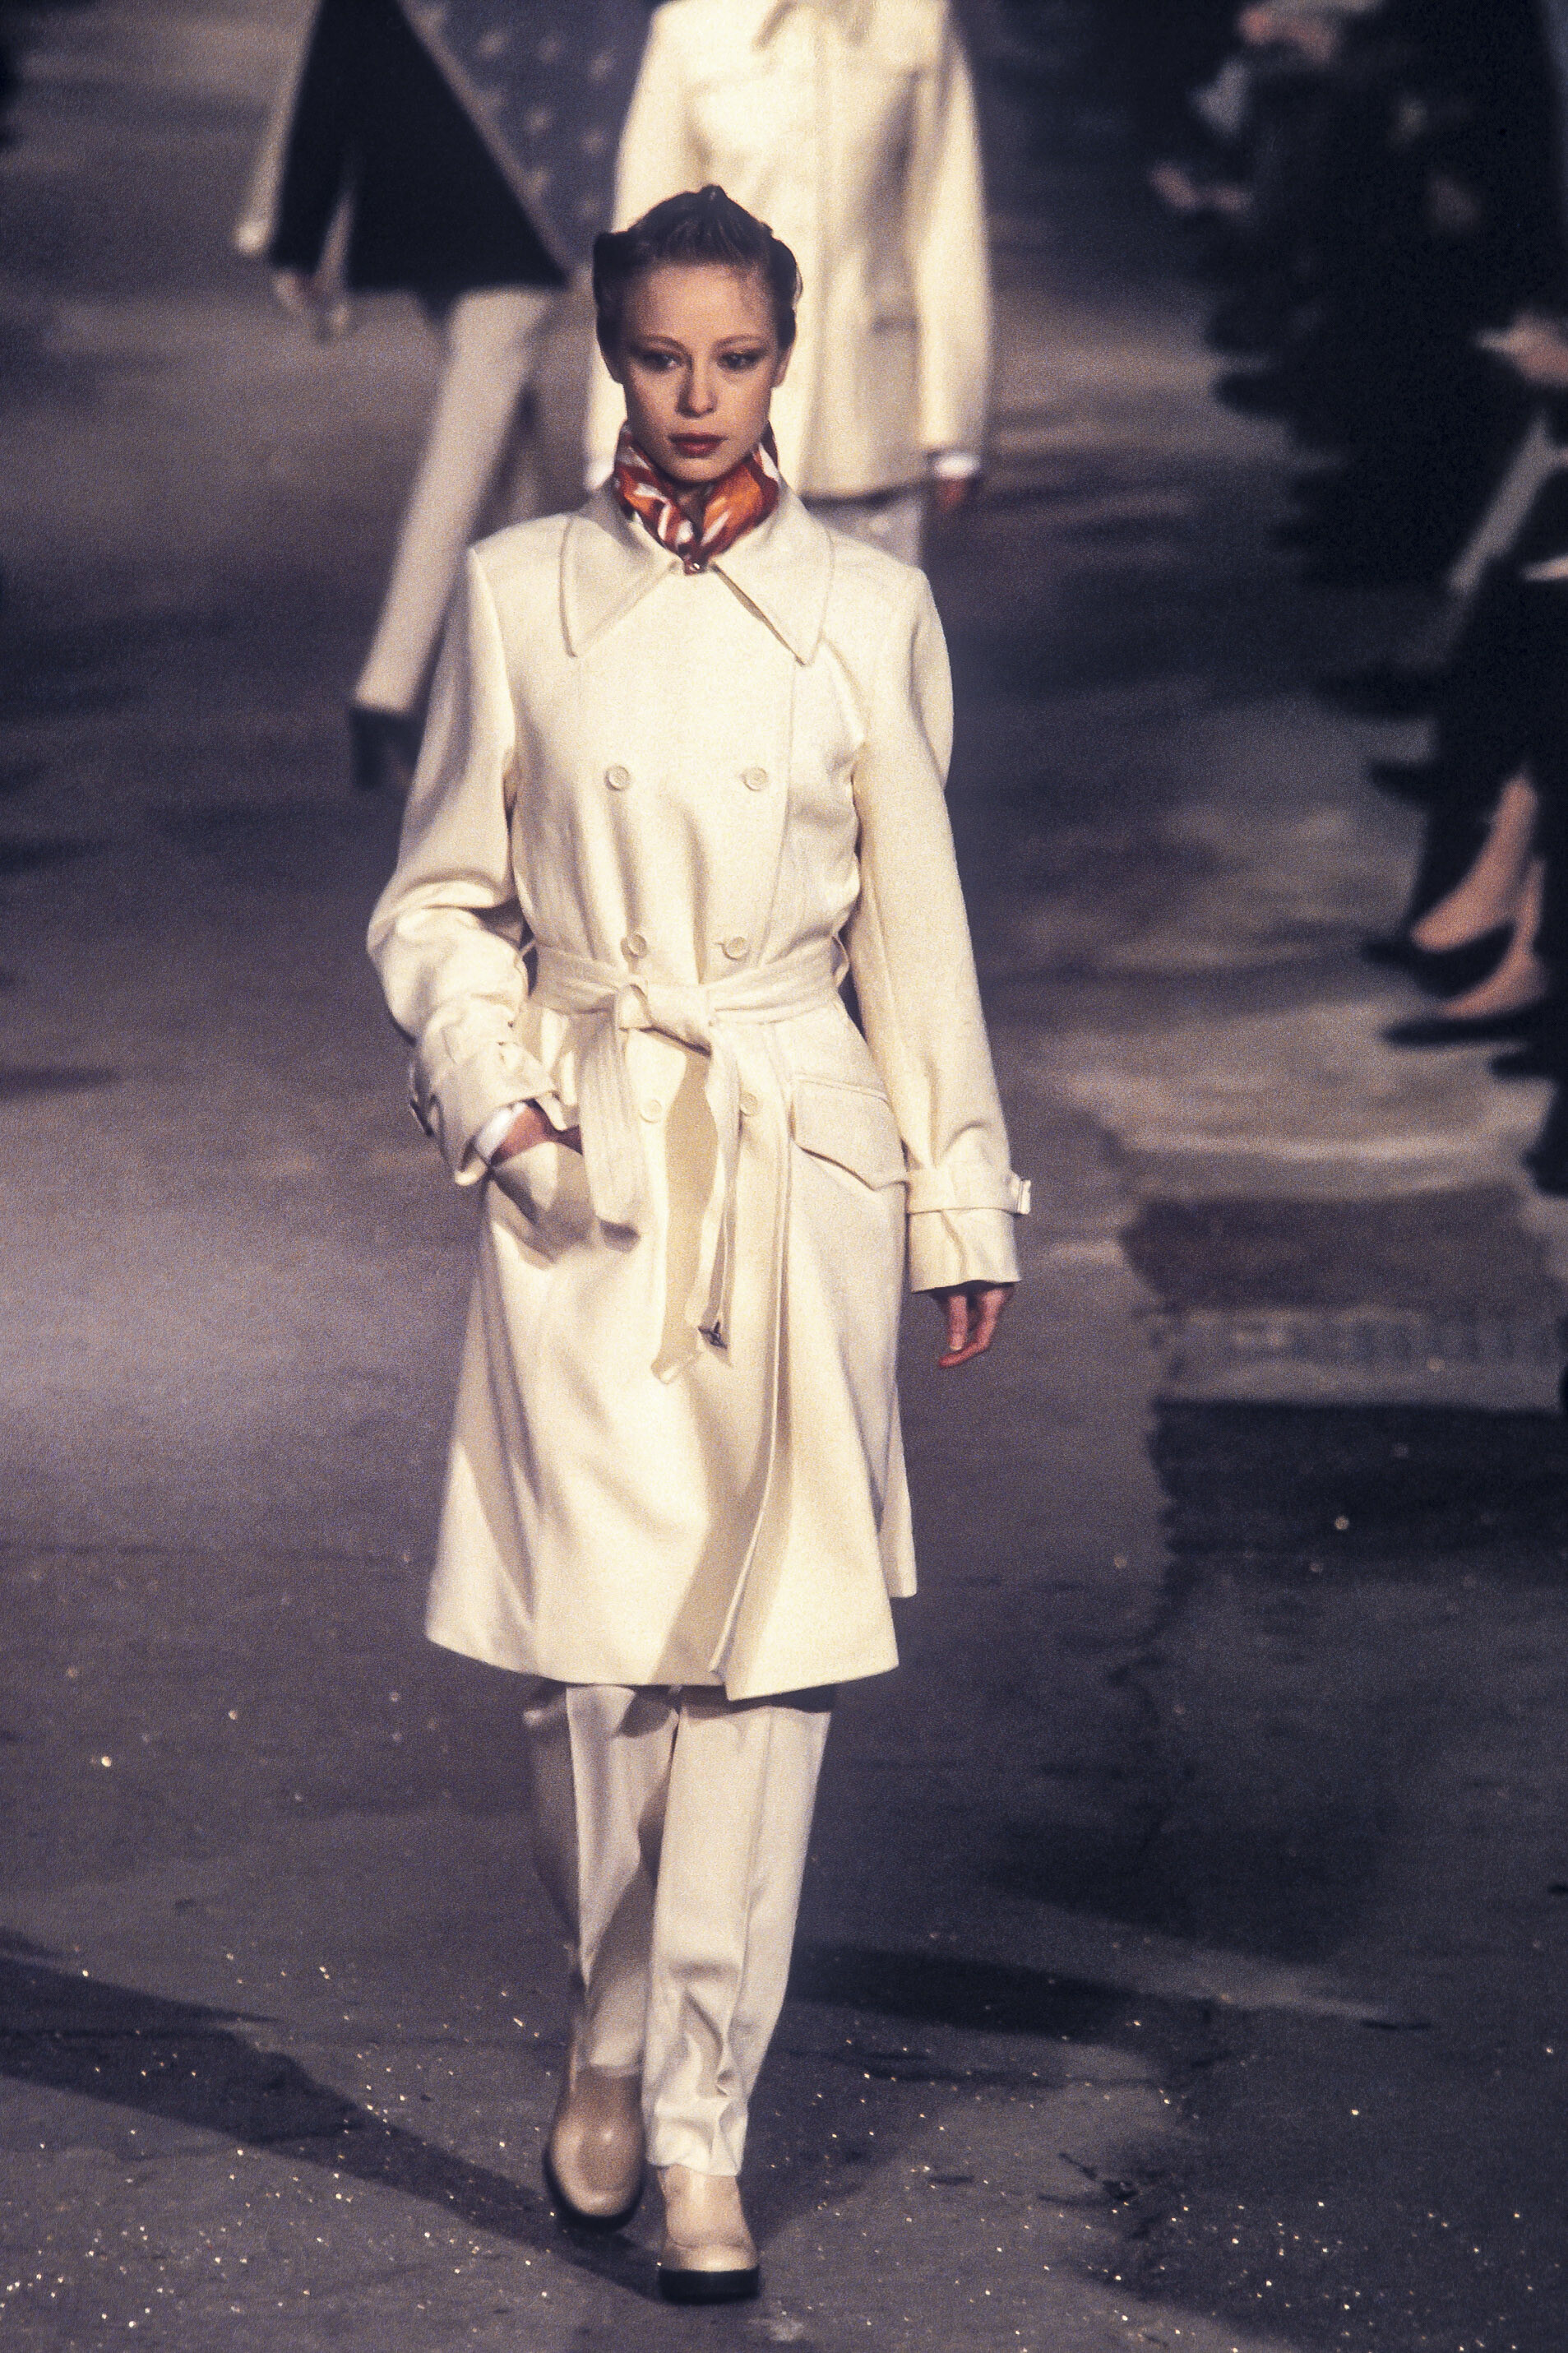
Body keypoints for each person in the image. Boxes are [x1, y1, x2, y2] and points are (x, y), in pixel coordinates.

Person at [368, 185, 1028, 2300]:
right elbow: (437, 899)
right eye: (659, 355)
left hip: (791, 1150)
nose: (695, 395)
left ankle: (699, 2123)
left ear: (784, 358)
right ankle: (610, 2012)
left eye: (734, 356)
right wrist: (497, 1094)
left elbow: (914, 931)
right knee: (595, 1662)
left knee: (765, 1663)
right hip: (585, 1159)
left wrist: (954, 1189)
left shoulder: (863, 610)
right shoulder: (516, 594)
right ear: (607, 353)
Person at [237, 0, 648, 792]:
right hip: (525, 211)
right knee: (475, 428)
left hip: (410, 201)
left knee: (496, 426)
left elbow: (339, 48)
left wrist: (300, 232)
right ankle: (387, 692)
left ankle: (538, 674)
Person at [582, 0, 991, 564]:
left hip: (871, 427)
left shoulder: (918, 23)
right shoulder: (688, 30)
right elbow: (641, 259)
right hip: (712, 436)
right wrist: (614, 436)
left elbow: (946, 227)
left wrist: (956, 431)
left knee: (875, 619)